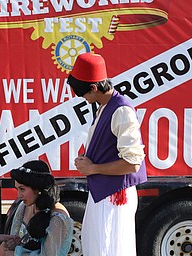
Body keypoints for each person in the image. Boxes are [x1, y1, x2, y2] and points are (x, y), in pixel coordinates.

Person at [67, 52, 147, 256]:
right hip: (104, 192)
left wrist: (93, 168)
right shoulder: (106, 106)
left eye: (84, 94)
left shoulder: (121, 110)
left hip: (114, 195)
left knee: (108, 250)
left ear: (94, 88)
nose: (84, 99)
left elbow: (133, 163)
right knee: (98, 247)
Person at [5, 159, 74, 256]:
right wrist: (7, 245)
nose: (18, 195)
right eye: (17, 189)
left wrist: (10, 254)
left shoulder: (58, 218)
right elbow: (14, 237)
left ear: (38, 188)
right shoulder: (23, 206)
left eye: (22, 189)